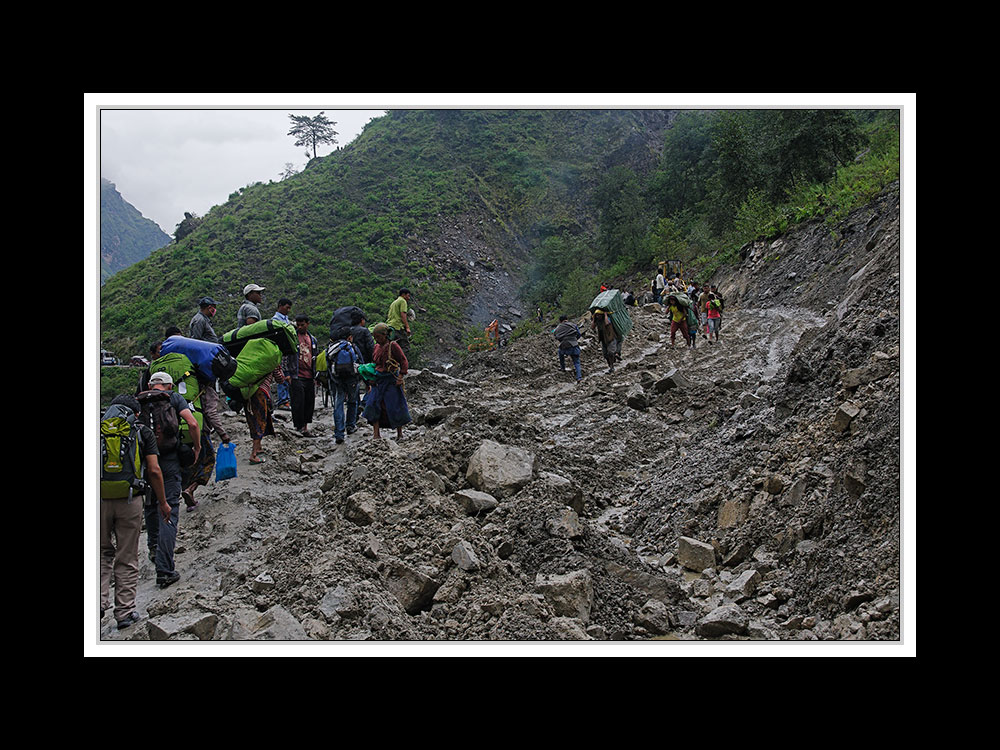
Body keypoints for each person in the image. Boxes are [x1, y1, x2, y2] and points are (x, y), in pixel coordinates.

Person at [100, 394, 168, 630]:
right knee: (127, 556)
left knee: (99, 553)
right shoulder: (141, 432)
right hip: (131, 499)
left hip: (98, 499)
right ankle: (124, 612)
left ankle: (97, 603)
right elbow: (154, 470)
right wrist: (163, 502)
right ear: (135, 413)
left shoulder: (97, 429)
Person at [138, 371, 200, 589]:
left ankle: (154, 549)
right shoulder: (173, 398)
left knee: (152, 505)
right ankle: (164, 570)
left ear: (150, 384)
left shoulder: (140, 399)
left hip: (147, 462)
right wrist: (197, 447)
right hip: (170, 460)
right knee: (169, 509)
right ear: (169, 385)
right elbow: (192, 424)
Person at [185, 297, 231, 511]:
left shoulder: (204, 321)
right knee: (205, 457)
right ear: (208, 308)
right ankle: (190, 489)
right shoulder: (199, 321)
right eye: (213, 308)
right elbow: (196, 346)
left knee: (195, 457)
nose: (215, 311)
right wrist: (223, 434)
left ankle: (187, 490)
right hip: (201, 426)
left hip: (198, 422)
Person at [363, 323, 411, 440]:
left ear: (385, 335)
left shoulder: (392, 346)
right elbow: (375, 364)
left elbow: (403, 361)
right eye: (375, 338)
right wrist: (371, 379)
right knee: (374, 405)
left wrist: (400, 376)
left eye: (378, 337)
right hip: (378, 381)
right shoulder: (376, 347)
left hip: (391, 381)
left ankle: (400, 433)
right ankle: (376, 434)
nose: (377, 340)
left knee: (395, 406)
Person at [246, 363, 285, 464]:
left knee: (252, 420)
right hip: (261, 391)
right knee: (260, 422)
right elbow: (280, 379)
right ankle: (253, 454)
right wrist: (279, 368)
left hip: (248, 391)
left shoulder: (255, 356)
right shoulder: (272, 358)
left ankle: (258, 448)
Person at [288, 314, 319, 436]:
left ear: (308, 324)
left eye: (302, 324)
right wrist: (287, 374)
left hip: (309, 375)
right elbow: (286, 356)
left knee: (308, 402)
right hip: (296, 374)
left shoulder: (313, 340)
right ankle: (299, 426)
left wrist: (316, 375)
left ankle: (305, 427)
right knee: (298, 402)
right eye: (298, 325)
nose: (300, 327)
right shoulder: (293, 338)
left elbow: (315, 357)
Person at [329, 330, 362, 444]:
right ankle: (350, 426)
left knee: (338, 404)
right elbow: (360, 362)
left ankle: (339, 433)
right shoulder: (352, 347)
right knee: (352, 402)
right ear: (349, 337)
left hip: (337, 380)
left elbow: (327, 365)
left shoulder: (333, 347)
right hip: (352, 379)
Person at [351, 314, 376, 409]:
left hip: (351, 364)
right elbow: (370, 347)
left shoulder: (348, 331)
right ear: (361, 320)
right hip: (365, 363)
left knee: (355, 387)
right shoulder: (364, 331)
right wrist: (374, 361)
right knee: (372, 384)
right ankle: (364, 403)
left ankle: (356, 409)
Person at [554, 315, 583, 383]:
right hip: (574, 345)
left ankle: (563, 368)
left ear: (560, 321)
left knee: (560, 354)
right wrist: (575, 339)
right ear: (567, 319)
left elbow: (556, 336)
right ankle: (579, 377)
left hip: (564, 346)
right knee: (576, 362)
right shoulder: (573, 325)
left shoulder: (557, 328)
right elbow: (578, 334)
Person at [386, 288, 413, 356]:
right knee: (405, 346)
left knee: (391, 347)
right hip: (397, 327)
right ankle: (400, 363)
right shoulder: (403, 301)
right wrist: (407, 327)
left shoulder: (394, 303)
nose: (408, 298)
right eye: (408, 296)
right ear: (403, 295)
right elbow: (403, 315)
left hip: (390, 326)